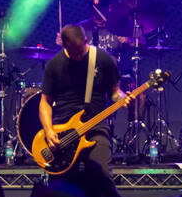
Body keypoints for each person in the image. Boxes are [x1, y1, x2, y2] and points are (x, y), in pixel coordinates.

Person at [40, 24, 125, 176]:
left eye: (81, 51)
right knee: (62, 186)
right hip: (63, 133)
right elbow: (45, 102)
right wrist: (48, 130)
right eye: (74, 53)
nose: (79, 56)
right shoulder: (54, 64)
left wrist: (122, 98)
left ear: (86, 40)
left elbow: (114, 93)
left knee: (103, 175)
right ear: (64, 46)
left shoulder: (103, 59)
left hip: (95, 127)